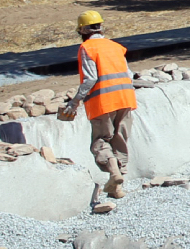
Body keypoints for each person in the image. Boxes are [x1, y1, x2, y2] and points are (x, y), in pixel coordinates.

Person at [59, 11, 137, 199]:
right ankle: (118, 188)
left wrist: (75, 101)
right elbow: (129, 74)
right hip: (126, 99)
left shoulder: (87, 48)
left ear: (82, 30)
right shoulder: (116, 47)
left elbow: (90, 78)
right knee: (119, 140)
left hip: (103, 102)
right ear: (101, 27)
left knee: (101, 141)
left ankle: (115, 174)